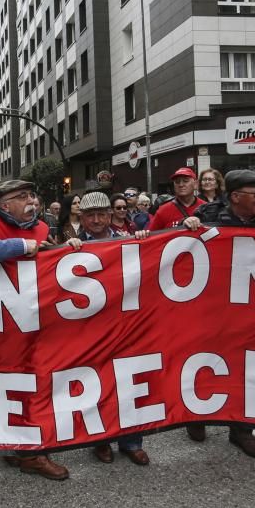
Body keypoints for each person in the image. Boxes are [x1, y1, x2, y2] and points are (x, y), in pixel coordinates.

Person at [0, 180, 68, 481]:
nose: (31, 201)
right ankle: (29, 452)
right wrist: (24, 246)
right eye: (21, 196)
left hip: (35, 318)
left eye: (32, 195)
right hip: (2, 322)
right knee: (13, 383)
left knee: (35, 381)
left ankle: (23, 447)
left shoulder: (41, 228)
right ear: (4, 205)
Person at [180, 170, 255, 459]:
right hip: (211, 309)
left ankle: (242, 430)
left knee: (247, 368)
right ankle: (196, 417)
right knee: (203, 362)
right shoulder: (206, 216)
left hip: (248, 312)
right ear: (236, 197)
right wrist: (187, 226)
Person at [64, 191, 151, 466]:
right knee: (96, 384)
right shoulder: (72, 247)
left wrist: (142, 243)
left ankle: (131, 441)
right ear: (83, 218)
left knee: (127, 383)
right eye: (91, 215)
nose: (98, 220)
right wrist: (67, 250)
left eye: (103, 214)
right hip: (90, 328)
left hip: (123, 326)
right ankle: (99, 440)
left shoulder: (126, 242)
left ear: (111, 215)